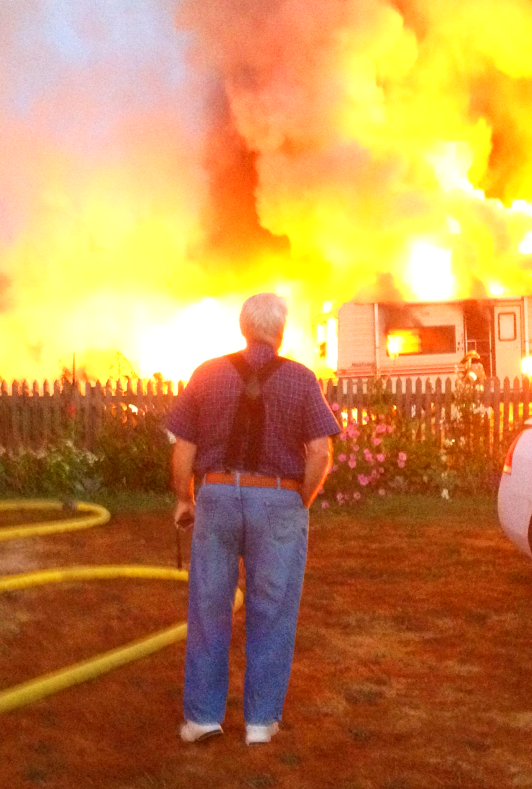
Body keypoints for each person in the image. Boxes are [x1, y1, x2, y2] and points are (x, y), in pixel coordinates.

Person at [165, 292, 341, 745]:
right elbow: (321, 452)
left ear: (244, 328)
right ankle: (261, 723)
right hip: (279, 500)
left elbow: (183, 448)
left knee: (208, 606)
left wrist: (185, 499)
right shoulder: (302, 379)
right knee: (272, 610)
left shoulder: (207, 374)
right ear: (280, 332)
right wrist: (301, 498)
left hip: (217, 496)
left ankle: (202, 718)